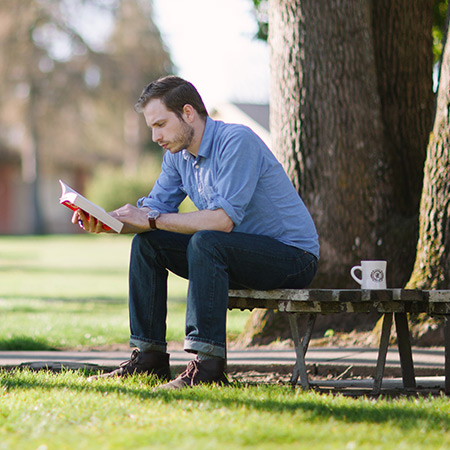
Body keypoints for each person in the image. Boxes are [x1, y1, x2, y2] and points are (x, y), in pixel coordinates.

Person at [73, 75, 319, 390]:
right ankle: (149, 360)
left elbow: (221, 222)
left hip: (291, 257)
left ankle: (208, 369)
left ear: (188, 113)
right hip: (233, 253)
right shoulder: (177, 157)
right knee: (149, 244)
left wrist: (150, 219)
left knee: (206, 241)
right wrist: (107, 222)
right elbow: (151, 214)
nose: (155, 136)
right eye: (151, 127)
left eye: (160, 124)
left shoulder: (236, 141)